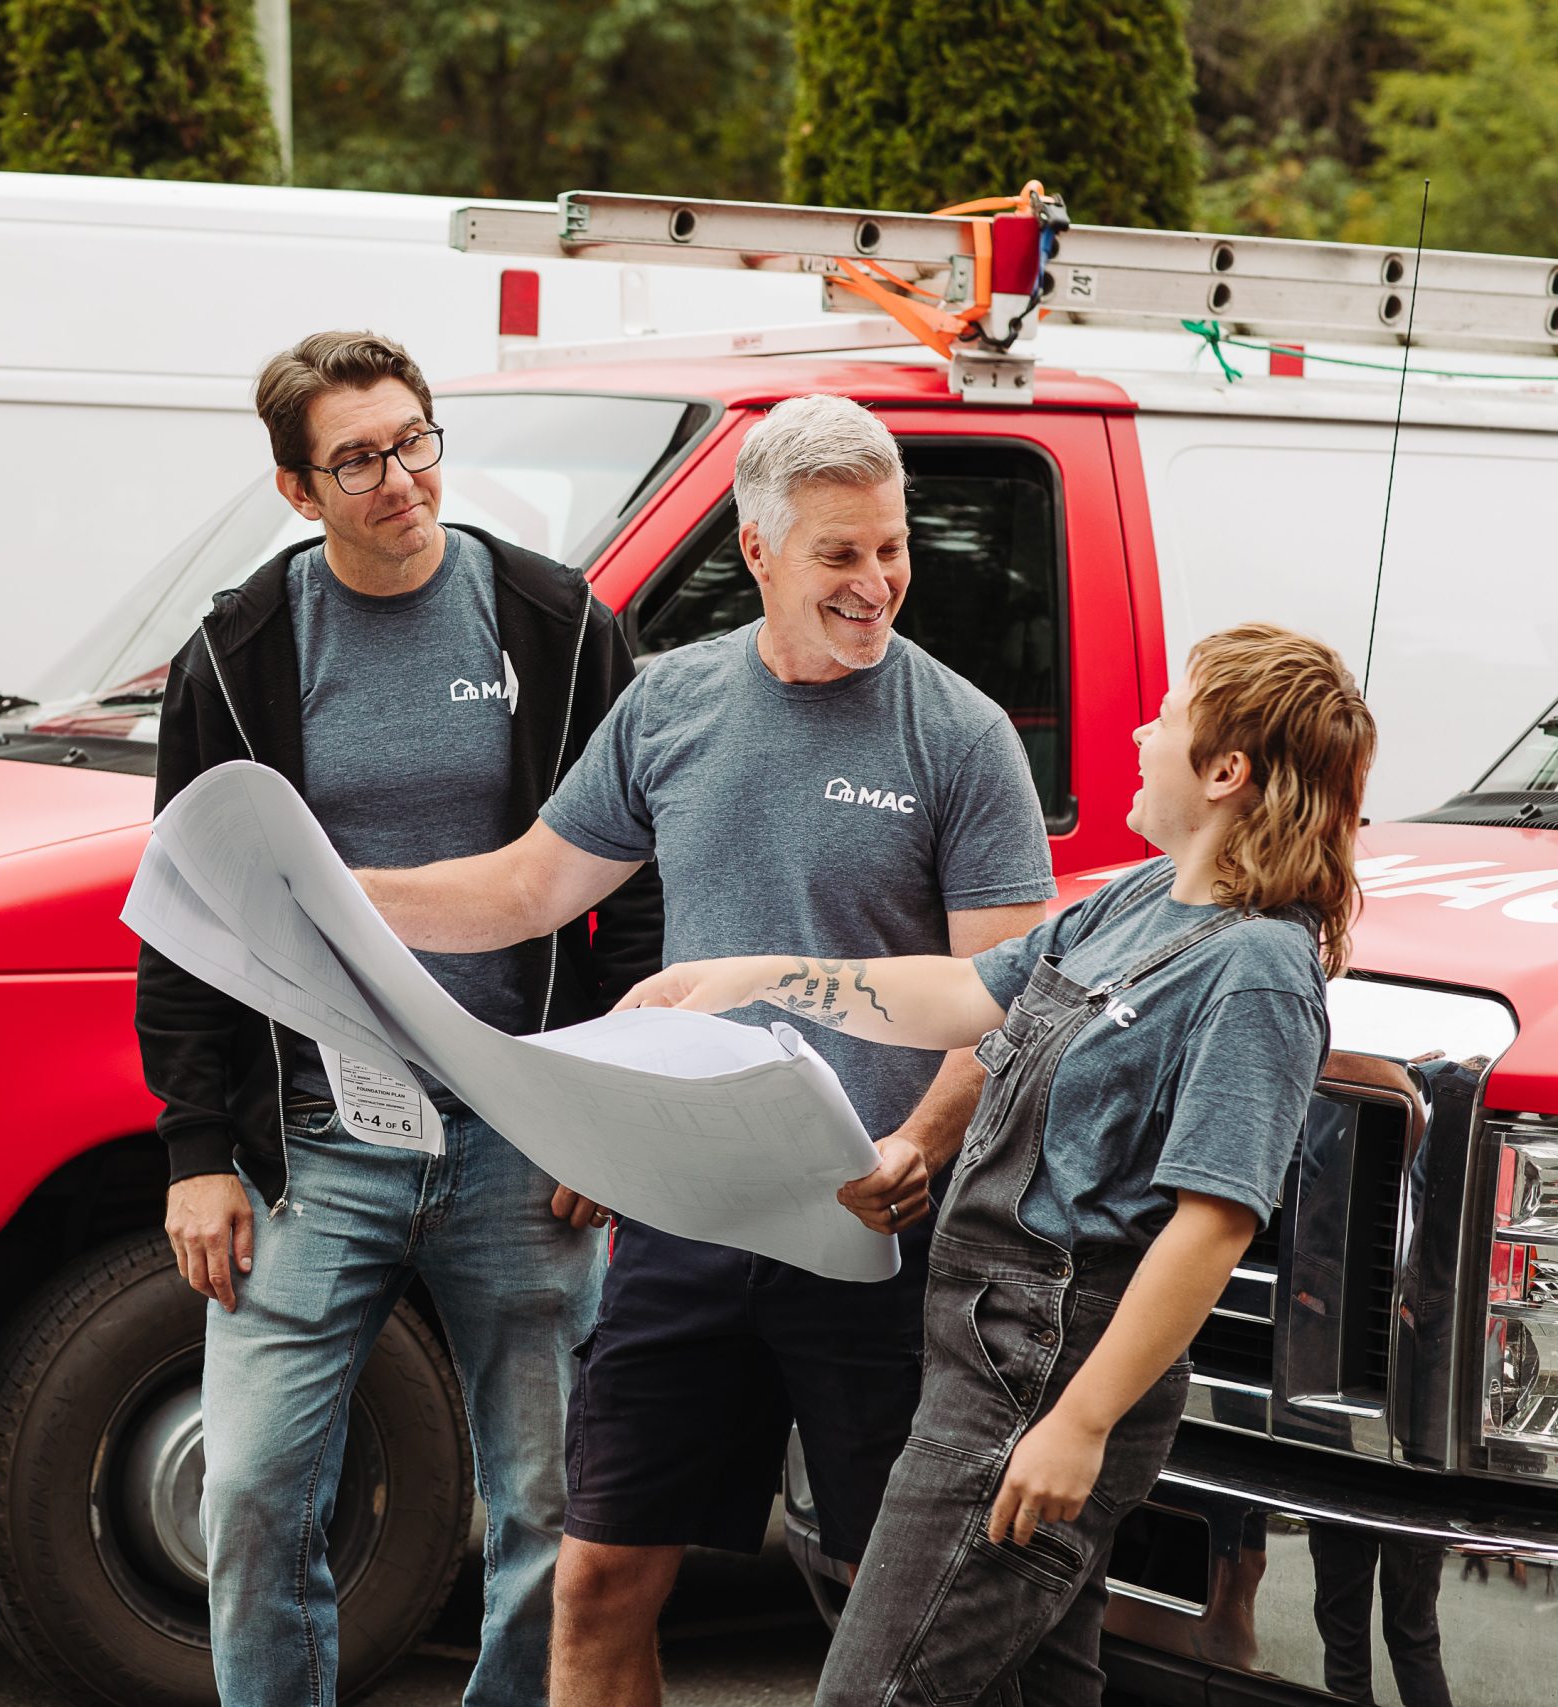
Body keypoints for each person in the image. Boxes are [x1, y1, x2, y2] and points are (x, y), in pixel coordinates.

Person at [356, 392, 1055, 1706]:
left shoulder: (957, 736)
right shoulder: (671, 703)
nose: (877, 581)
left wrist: (919, 1139)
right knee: (598, 1585)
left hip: (873, 1239)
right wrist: (342, 894)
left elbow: (1001, 998)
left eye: (892, 547)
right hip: (687, 1229)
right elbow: (524, 891)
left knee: (882, 1614)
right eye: (841, 553)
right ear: (759, 550)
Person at [622, 622, 1376, 1706]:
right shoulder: (1135, 903)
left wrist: (1077, 1426)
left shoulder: (1256, 972)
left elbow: (1211, 1226)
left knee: (874, 1692)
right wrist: (756, 975)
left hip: (1043, 1375)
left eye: (1163, 715)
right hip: (984, 1351)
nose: (1137, 729)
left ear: (1225, 771)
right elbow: (968, 996)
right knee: (1037, 1688)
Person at [135, 328, 663, 1707]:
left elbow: (640, 890)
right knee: (250, 1495)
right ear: (297, 491)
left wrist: (594, 1110)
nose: (400, 478)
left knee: (547, 1515)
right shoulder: (239, 652)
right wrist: (197, 1146)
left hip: (520, 1134)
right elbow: (189, 914)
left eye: (413, 439)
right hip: (311, 1139)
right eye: (357, 458)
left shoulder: (556, 623)